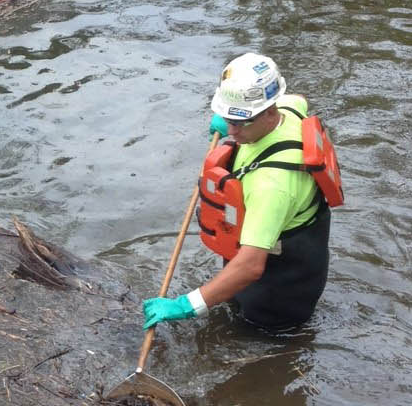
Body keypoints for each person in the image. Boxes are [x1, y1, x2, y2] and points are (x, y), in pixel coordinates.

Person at [142, 53, 342, 335]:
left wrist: (186, 305)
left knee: (258, 340)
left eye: (240, 122)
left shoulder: (272, 185)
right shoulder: (289, 108)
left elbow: (250, 266)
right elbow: (297, 98)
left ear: (270, 112)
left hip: (278, 289)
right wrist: (235, 117)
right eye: (228, 118)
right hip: (288, 255)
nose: (231, 129)